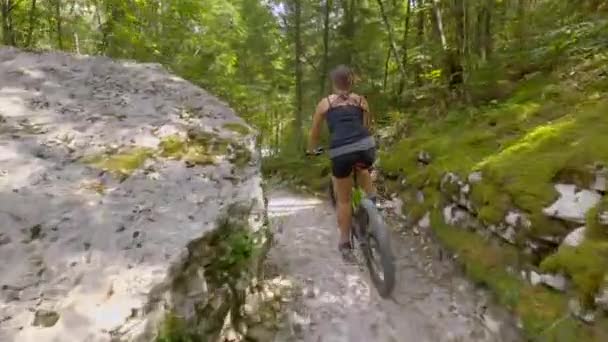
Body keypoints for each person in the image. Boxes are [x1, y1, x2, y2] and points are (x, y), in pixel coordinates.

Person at [306, 65, 377, 259]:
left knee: (344, 200)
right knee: (363, 170)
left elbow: (314, 134)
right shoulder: (362, 101)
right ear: (351, 82)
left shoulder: (325, 104)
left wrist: (311, 150)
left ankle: (345, 243)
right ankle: (372, 208)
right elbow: (366, 126)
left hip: (341, 151)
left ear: (333, 83)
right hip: (365, 147)